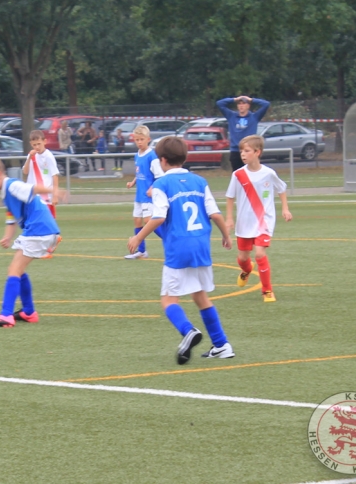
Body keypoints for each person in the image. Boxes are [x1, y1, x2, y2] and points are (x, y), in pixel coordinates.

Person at [128, 136, 235, 364]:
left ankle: (188, 331)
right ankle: (222, 344)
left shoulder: (161, 184)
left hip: (179, 248)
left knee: (168, 299)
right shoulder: (199, 181)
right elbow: (214, 213)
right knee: (200, 295)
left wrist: (138, 237)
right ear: (184, 158)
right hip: (201, 246)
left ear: (163, 160)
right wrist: (226, 235)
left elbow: (159, 217)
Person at [0, 155, 63, 327]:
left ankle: (6, 315)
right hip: (38, 230)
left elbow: (31, 188)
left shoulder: (12, 185)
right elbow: (11, 217)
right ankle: (28, 312)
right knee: (19, 270)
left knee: (14, 269)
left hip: (39, 230)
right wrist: (8, 236)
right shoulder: (5, 192)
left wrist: (53, 191)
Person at [225, 135, 292, 303]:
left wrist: (285, 208)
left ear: (257, 152)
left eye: (247, 151)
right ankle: (246, 270)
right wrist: (229, 219)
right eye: (241, 151)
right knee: (242, 258)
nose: (243, 154)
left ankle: (267, 290)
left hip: (264, 221)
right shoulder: (238, 175)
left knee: (260, 254)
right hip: (244, 222)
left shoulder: (269, 173)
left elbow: (281, 188)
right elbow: (230, 196)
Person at [124, 125, 164, 259]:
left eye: (142, 139)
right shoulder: (137, 155)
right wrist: (133, 182)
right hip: (139, 195)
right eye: (137, 139)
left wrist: (152, 188)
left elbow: (159, 176)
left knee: (148, 221)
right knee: (137, 221)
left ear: (148, 139)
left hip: (148, 196)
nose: (139, 142)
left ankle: (169, 239)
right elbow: (140, 172)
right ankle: (141, 251)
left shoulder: (152, 156)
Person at [217, 95, 271, 171]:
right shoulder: (231, 116)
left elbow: (266, 104)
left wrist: (252, 100)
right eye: (239, 103)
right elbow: (220, 103)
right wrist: (234, 99)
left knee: (251, 173)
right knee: (237, 175)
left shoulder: (254, 117)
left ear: (248, 106)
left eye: (244, 103)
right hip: (235, 150)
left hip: (249, 150)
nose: (241, 106)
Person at [22, 130, 60, 218]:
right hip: (33, 195)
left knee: (49, 222)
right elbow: (25, 172)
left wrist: (55, 195)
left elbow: (55, 176)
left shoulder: (48, 156)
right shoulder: (31, 155)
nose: (37, 147)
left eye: (39, 144)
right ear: (31, 144)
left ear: (44, 141)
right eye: (34, 145)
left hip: (46, 195)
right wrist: (29, 158)